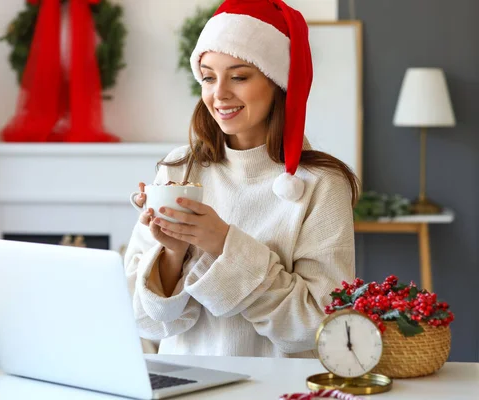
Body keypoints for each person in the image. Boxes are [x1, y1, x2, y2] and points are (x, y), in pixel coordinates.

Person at [124, 0, 360, 358]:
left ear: (277, 83)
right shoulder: (178, 169)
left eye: (238, 76)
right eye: (207, 76)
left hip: (274, 387)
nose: (219, 93)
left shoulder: (321, 184)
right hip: (184, 382)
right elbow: (143, 320)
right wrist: (173, 254)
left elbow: (318, 326)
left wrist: (224, 244)